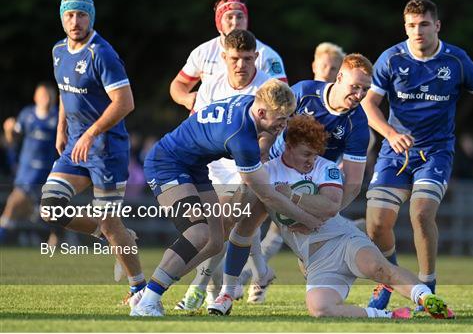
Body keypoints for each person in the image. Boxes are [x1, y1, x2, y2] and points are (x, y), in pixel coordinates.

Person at [360, 0, 473, 310]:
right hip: (395, 152)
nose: (417, 31)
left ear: (437, 26)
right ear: (405, 27)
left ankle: (427, 284)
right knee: (377, 224)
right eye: (410, 25)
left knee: (421, 213)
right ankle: (390, 280)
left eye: (423, 24)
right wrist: (390, 134)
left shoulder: (455, 60)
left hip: (435, 153)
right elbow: (369, 104)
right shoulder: (391, 59)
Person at [130, 79, 321, 317]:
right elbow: (266, 194)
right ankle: (147, 302)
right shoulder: (241, 138)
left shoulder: (251, 104)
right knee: (197, 233)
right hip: (166, 164)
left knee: (215, 242)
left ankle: (148, 292)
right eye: (281, 119)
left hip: (194, 167)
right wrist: (307, 218)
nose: (283, 125)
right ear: (261, 112)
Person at [208, 53, 373, 314]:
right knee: (240, 221)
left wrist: (326, 211)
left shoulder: (358, 124)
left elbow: (352, 183)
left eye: (366, 89)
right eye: (356, 86)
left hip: (308, 186)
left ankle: (331, 294)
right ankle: (224, 292)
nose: (360, 94)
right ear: (339, 77)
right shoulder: (305, 92)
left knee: (307, 251)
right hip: (272, 171)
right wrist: (260, 156)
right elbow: (269, 123)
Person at [244, 115, 454, 319]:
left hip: (342, 241)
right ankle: (389, 315)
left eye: (315, 154)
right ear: (288, 146)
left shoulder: (325, 167)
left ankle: (428, 299)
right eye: (306, 154)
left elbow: (331, 206)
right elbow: (248, 223)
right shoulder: (266, 173)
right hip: (316, 261)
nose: (312, 160)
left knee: (380, 269)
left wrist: (291, 195)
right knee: (320, 309)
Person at [40, 0, 145, 302]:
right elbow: (64, 90)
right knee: (50, 208)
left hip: (107, 151)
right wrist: (62, 128)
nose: (75, 21)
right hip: (75, 147)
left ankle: (139, 290)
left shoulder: (102, 54)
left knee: (112, 224)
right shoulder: (59, 50)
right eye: (70, 15)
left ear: (91, 18)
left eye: (82, 15)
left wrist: (91, 133)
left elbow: (125, 103)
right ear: (62, 18)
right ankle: (116, 237)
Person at [174, 29, 272, 311]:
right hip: (215, 166)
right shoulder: (211, 85)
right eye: (234, 59)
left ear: (256, 57)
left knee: (227, 223)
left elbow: (273, 134)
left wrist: (255, 154)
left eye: (246, 59)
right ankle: (255, 274)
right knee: (220, 230)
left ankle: (200, 289)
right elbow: (199, 129)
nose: (240, 65)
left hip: (250, 167)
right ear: (223, 57)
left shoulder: (268, 88)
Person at [169, 0, 287, 112]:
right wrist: (186, 98)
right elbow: (179, 83)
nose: (235, 22)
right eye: (229, 17)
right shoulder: (203, 52)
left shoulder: (267, 55)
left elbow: (282, 97)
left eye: (240, 16)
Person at [0, 83, 58, 244]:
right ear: (36, 97)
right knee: (13, 204)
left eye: (48, 96)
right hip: (27, 171)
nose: (45, 99)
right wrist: (8, 130)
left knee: (47, 213)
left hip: (48, 172)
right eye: (42, 95)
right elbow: (12, 140)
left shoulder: (58, 117)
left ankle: (57, 235)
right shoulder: (27, 115)